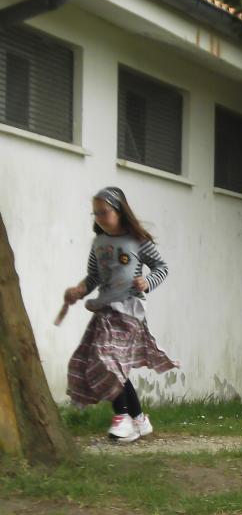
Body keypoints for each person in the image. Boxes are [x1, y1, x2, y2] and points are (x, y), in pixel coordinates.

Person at [64, 186, 175, 443]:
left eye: (104, 212)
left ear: (119, 211)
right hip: (105, 310)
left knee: (108, 359)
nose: (99, 218)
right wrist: (79, 290)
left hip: (129, 310)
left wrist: (148, 282)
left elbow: (161, 267)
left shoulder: (138, 240)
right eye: (95, 214)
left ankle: (122, 418)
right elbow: (93, 277)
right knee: (112, 364)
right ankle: (139, 419)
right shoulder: (98, 243)